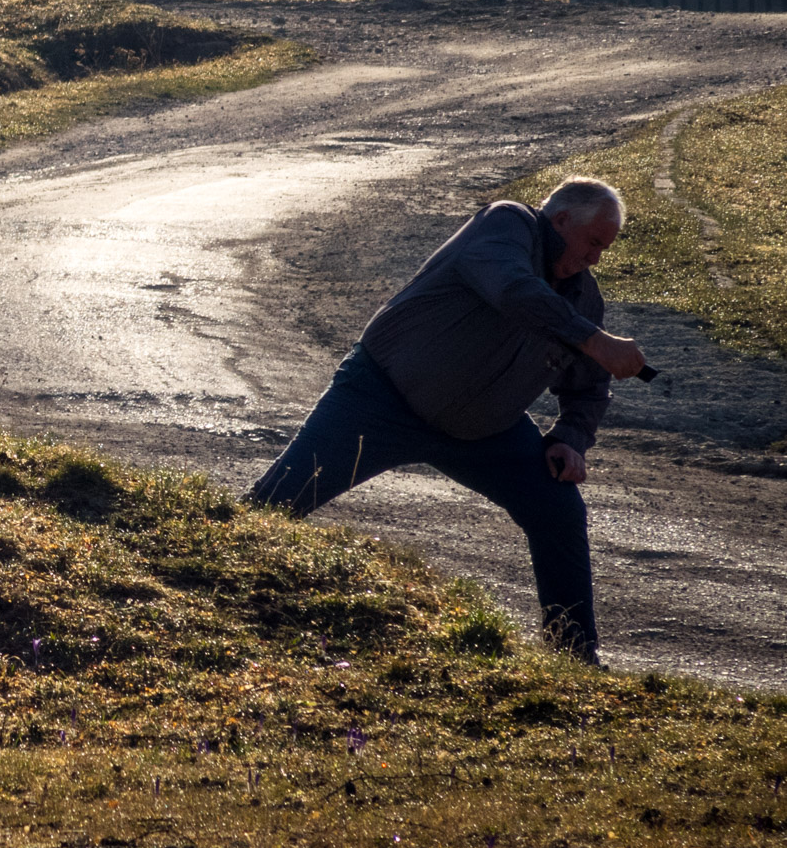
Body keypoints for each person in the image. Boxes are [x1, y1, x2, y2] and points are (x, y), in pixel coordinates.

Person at [247, 177, 647, 663]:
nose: (596, 258)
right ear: (561, 220)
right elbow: (514, 290)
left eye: (605, 248)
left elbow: (587, 387)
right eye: (594, 243)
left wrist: (570, 437)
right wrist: (595, 340)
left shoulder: (584, 298)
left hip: (485, 432)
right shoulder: (505, 224)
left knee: (558, 512)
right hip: (378, 400)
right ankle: (207, 578)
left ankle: (574, 657)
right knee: (275, 503)